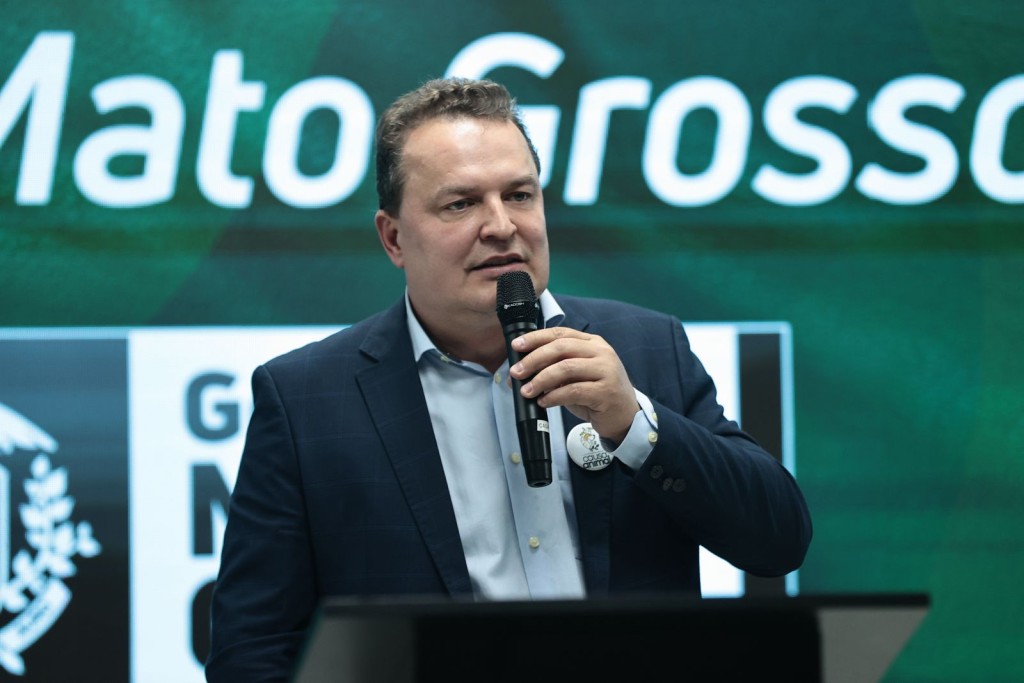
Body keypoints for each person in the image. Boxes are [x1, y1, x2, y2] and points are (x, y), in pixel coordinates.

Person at [206, 77, 812, 682]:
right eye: (460, 203)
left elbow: (779, 541)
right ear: (393, 238)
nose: (501, 225)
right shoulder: (306, 401)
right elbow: (251, 650)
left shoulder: (645, 349)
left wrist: (634, 425)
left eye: (519, 195)